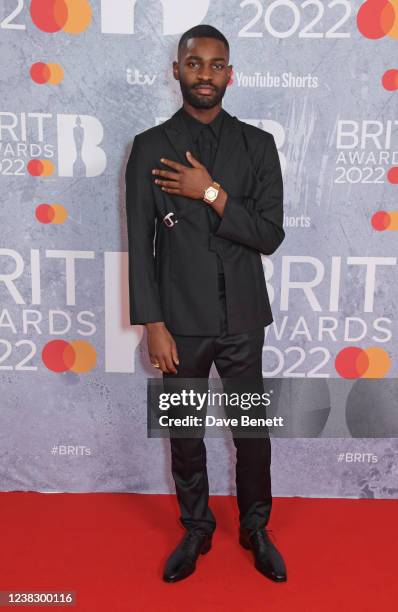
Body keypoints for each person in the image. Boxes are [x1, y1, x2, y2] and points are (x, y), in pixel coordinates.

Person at [125, 24, 287, 583]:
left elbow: (269, 235)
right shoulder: (148, 147)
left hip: (244, 317)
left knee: (251, 432)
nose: (205, 75)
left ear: (230, 74)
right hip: (179, 322)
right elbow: (140, 243)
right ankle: (196, 528)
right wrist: (153, 323)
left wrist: (211, 193)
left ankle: (255, 526)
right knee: (185, 432)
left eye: (217, 65)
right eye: (195, 63)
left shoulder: (258, 145)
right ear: (177, 70)